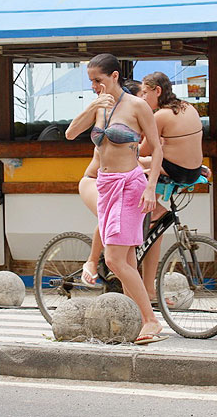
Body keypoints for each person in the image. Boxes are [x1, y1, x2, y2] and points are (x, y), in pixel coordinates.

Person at [66, 53, 165, 344]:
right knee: (126, 261)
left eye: (98, 80)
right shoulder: (99, 106)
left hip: (130, 184)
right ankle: (139, 318)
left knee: (113, 258)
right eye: (91, 82)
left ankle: (151, 320)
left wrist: (151, 187)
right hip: (105, 184)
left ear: (114, 77)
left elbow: (156, 149)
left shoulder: (137, 106)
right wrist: (94, 105)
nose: (95, 86)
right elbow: (71, 133)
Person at [138, 71, 205, 302]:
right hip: (194, 170)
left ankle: (147, 219)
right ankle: (153, 217)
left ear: (157, 91)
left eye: (145, 93)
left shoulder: (161, 116)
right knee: (148, 162)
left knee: (136, 162)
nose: (143, 98)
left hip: (176, 170)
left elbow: (144, 150)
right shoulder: (188, 107)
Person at [78, 80, 144, 287]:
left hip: (120, 183)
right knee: (112, 215)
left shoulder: (135, 120)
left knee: (128, 253)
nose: (143, 100)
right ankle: (91, 261)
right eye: (140, 95)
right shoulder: (110, 120)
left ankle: (136, 305)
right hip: (93, 182)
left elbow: (137, 160)